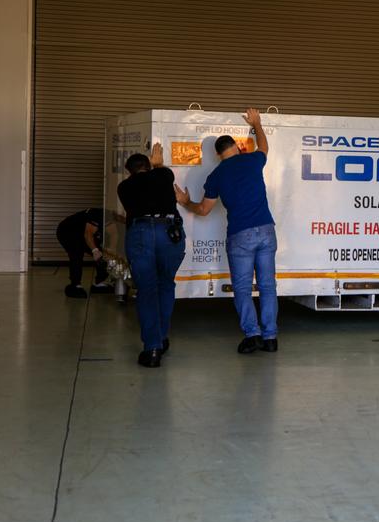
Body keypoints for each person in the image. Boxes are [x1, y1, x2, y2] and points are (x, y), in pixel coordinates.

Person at [178, 108, 278, 354]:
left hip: (240, 235)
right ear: (237, 147)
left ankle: (252, 335)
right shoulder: (253, 160)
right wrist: (256, 124)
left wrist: (185, 202)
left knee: (242, 288)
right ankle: (270, 338)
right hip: (266, 230)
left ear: (217, 154)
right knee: (267, 286)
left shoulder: (216, 175)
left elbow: (204, 210)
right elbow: (264, 146)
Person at [117, 143, 186, 368]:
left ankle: (152, 348)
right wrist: (158, 163)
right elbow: (161, 175)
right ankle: (162, 337)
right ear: (148, 166)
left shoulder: (123, 187)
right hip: (170, 233)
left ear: (129, 171)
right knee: (166, 284)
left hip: (141, 233)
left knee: (147, 290)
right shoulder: (163, 175)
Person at [55, 208, 111, 298]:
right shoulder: (97, 215)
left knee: (103, 254)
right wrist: (95, 251)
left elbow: (114, 236)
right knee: (77, 253)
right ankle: (75, 284)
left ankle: (99, 283)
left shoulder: (115, 220)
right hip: (67, 231)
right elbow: (88, 235)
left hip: (82, 233)